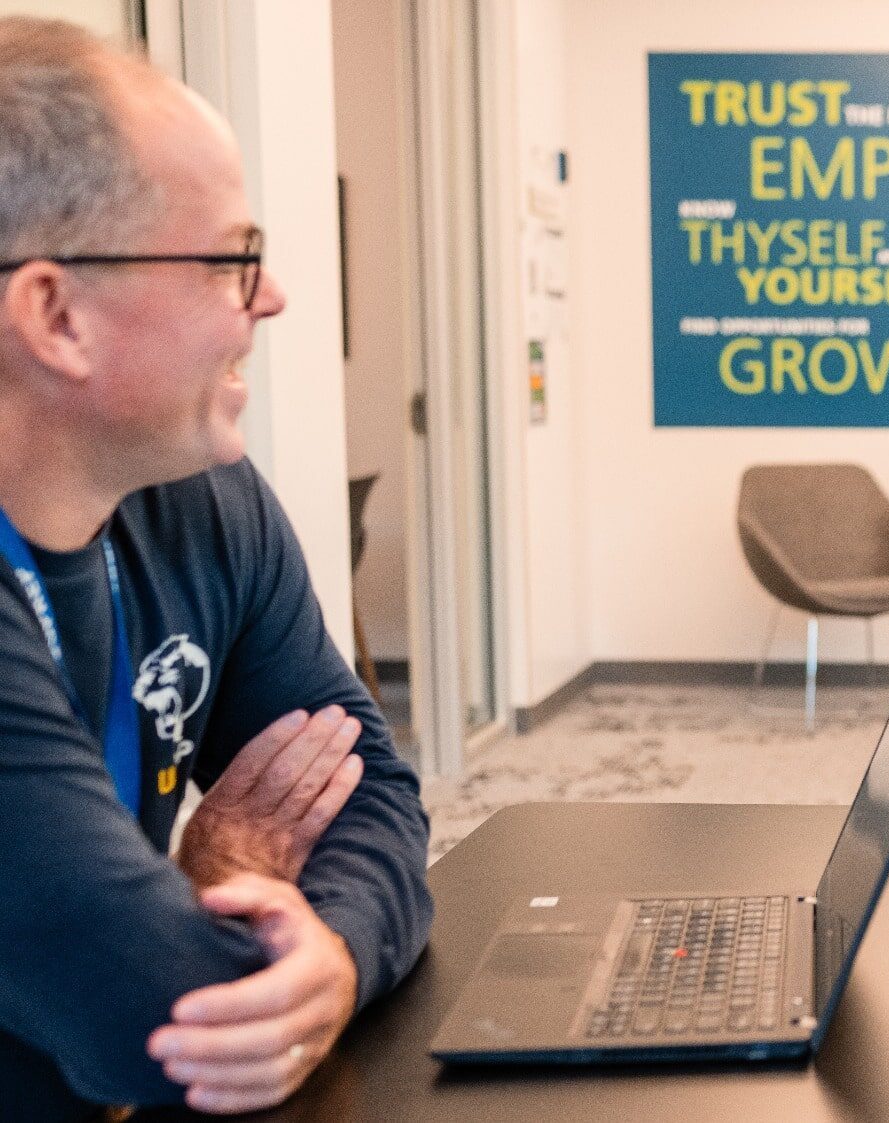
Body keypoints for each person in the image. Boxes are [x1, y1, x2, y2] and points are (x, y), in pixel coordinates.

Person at [0, 18, 431, 1119]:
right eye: (233, 259)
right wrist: (216, 883)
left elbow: (366, 791)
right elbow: (166, 1018)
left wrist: (328, 942)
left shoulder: (200, 496)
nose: (273, 296)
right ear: (55, 314)